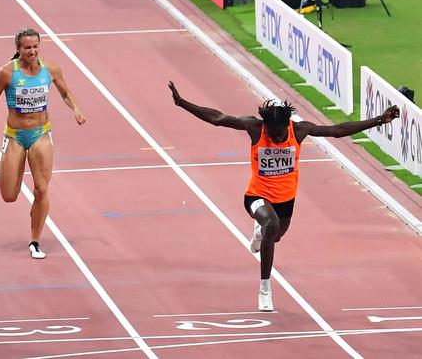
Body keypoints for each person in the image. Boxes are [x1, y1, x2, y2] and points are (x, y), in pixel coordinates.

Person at [168, 81, 399, 311]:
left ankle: (260, 231)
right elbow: (218, 118)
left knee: (275, 234)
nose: (278, 139)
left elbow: (337, 131)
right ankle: (265, 289)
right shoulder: (255, 128)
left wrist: (379, 120)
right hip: (256, 195)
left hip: (286, 200)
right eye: (274, 134)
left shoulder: (298, 131)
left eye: (280, 134)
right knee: (271, 223)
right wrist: (182, 103)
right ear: (265, 126)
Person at [0, 28, 86, 259]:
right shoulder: (7, 73)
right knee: (9, 195)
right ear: (18, 49)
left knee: (41, 189)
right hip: (15, 135)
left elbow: (65, 93)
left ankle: (34, 240)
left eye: (35, 46)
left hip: (41, 134)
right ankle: (32, 218)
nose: (32, 51)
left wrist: (75, 108)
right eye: (27, 47)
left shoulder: (51, 69)